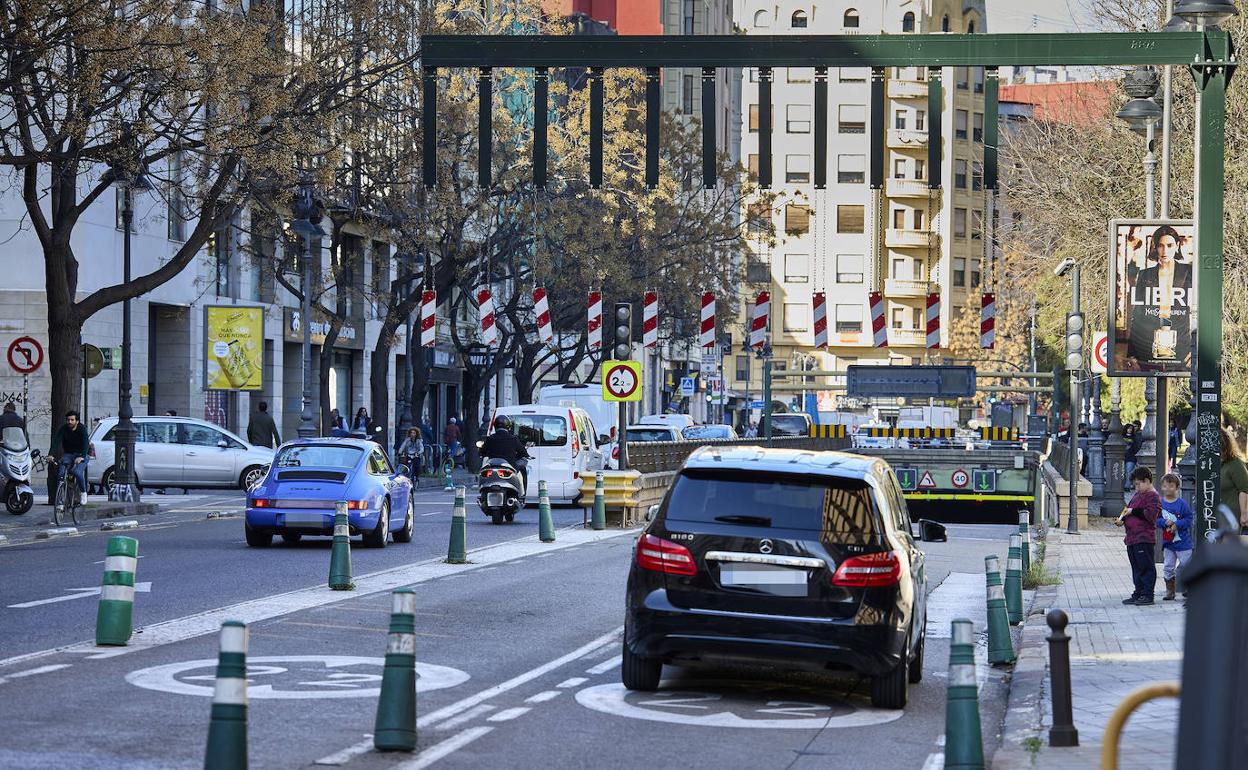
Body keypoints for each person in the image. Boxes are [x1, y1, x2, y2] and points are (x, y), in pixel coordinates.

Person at [1126, 225, 1193, 370]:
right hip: (1149, 343)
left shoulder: (1189, 272)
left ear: (1177, 246)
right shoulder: (1145, 274)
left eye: (1169, 245)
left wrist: (1195, 349)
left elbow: (1199, 311)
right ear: (1155, 247)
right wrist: (1132, 353)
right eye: (1160, 245)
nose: (1165, 250)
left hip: (1183, 343)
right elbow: (1137, 315)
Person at [1115, 466, 1160, 606]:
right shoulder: (1138, 495)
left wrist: (1133, 511)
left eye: (1138, 484)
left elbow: (1150, 515)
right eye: (1134, 485)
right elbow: (1128, 510)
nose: (1136, 488)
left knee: (1145, 566)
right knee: (1136, 567)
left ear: (1147, 481)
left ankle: (1147, 594)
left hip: (1143, 538)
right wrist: (1122, 519)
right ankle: (1138, 592)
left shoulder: (1153, 496)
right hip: (1132, 538)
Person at [1155, 473, 1193, 601]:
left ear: (1177, 487)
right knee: (1168, 566)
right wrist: (1163, 522)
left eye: (1171, 486)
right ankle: (1170, 590)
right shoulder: (1160, 504)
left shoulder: (1182, 504)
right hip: (1168, 543)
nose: (1167, 488)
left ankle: (1188, 588)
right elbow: (1156, 519)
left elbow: (1189, 519)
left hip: (1183, 542)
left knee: (1187, 564)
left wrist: (1177, 524)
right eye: (1165, 486)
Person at [51, 410, 90, 506]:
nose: (69, 422)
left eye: (72, 420)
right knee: (61, 474)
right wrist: (51, 454)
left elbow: (86, 443)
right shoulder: (64, 428)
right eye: (68, 420)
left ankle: (83, 492)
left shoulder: (82, 429)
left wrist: (82, 457)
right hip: (69, 454)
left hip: (82, 454)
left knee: (77, 472)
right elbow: (56, 441)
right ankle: (60, 500)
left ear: (77, 421)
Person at [480, 415, 530, 490]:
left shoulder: (490, 439)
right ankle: (522, 493)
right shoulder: (513, 439)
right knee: (523, 468)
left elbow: (482, 452)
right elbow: (523, 453)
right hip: (509, 466)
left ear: (495, 426)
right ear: (508, 427)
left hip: (492, 465)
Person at [1219, 426, 1248, 534]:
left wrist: (1244, 514)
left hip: (1233, 518)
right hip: (1217, 516)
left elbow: (1244, 489)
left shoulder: (1235, 464)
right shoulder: (1213, 465)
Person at [1124, 422, 1142, 490]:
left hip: (1131, 457)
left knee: (1129, 472)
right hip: (1122, 457)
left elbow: (1136, 448)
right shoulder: (1122, 436)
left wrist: (1136, 458)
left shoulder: (1135, 437)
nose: (1130, 430)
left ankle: (1127, 486)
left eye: (1131, 428)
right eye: (1129, 428)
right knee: (1123, 473)